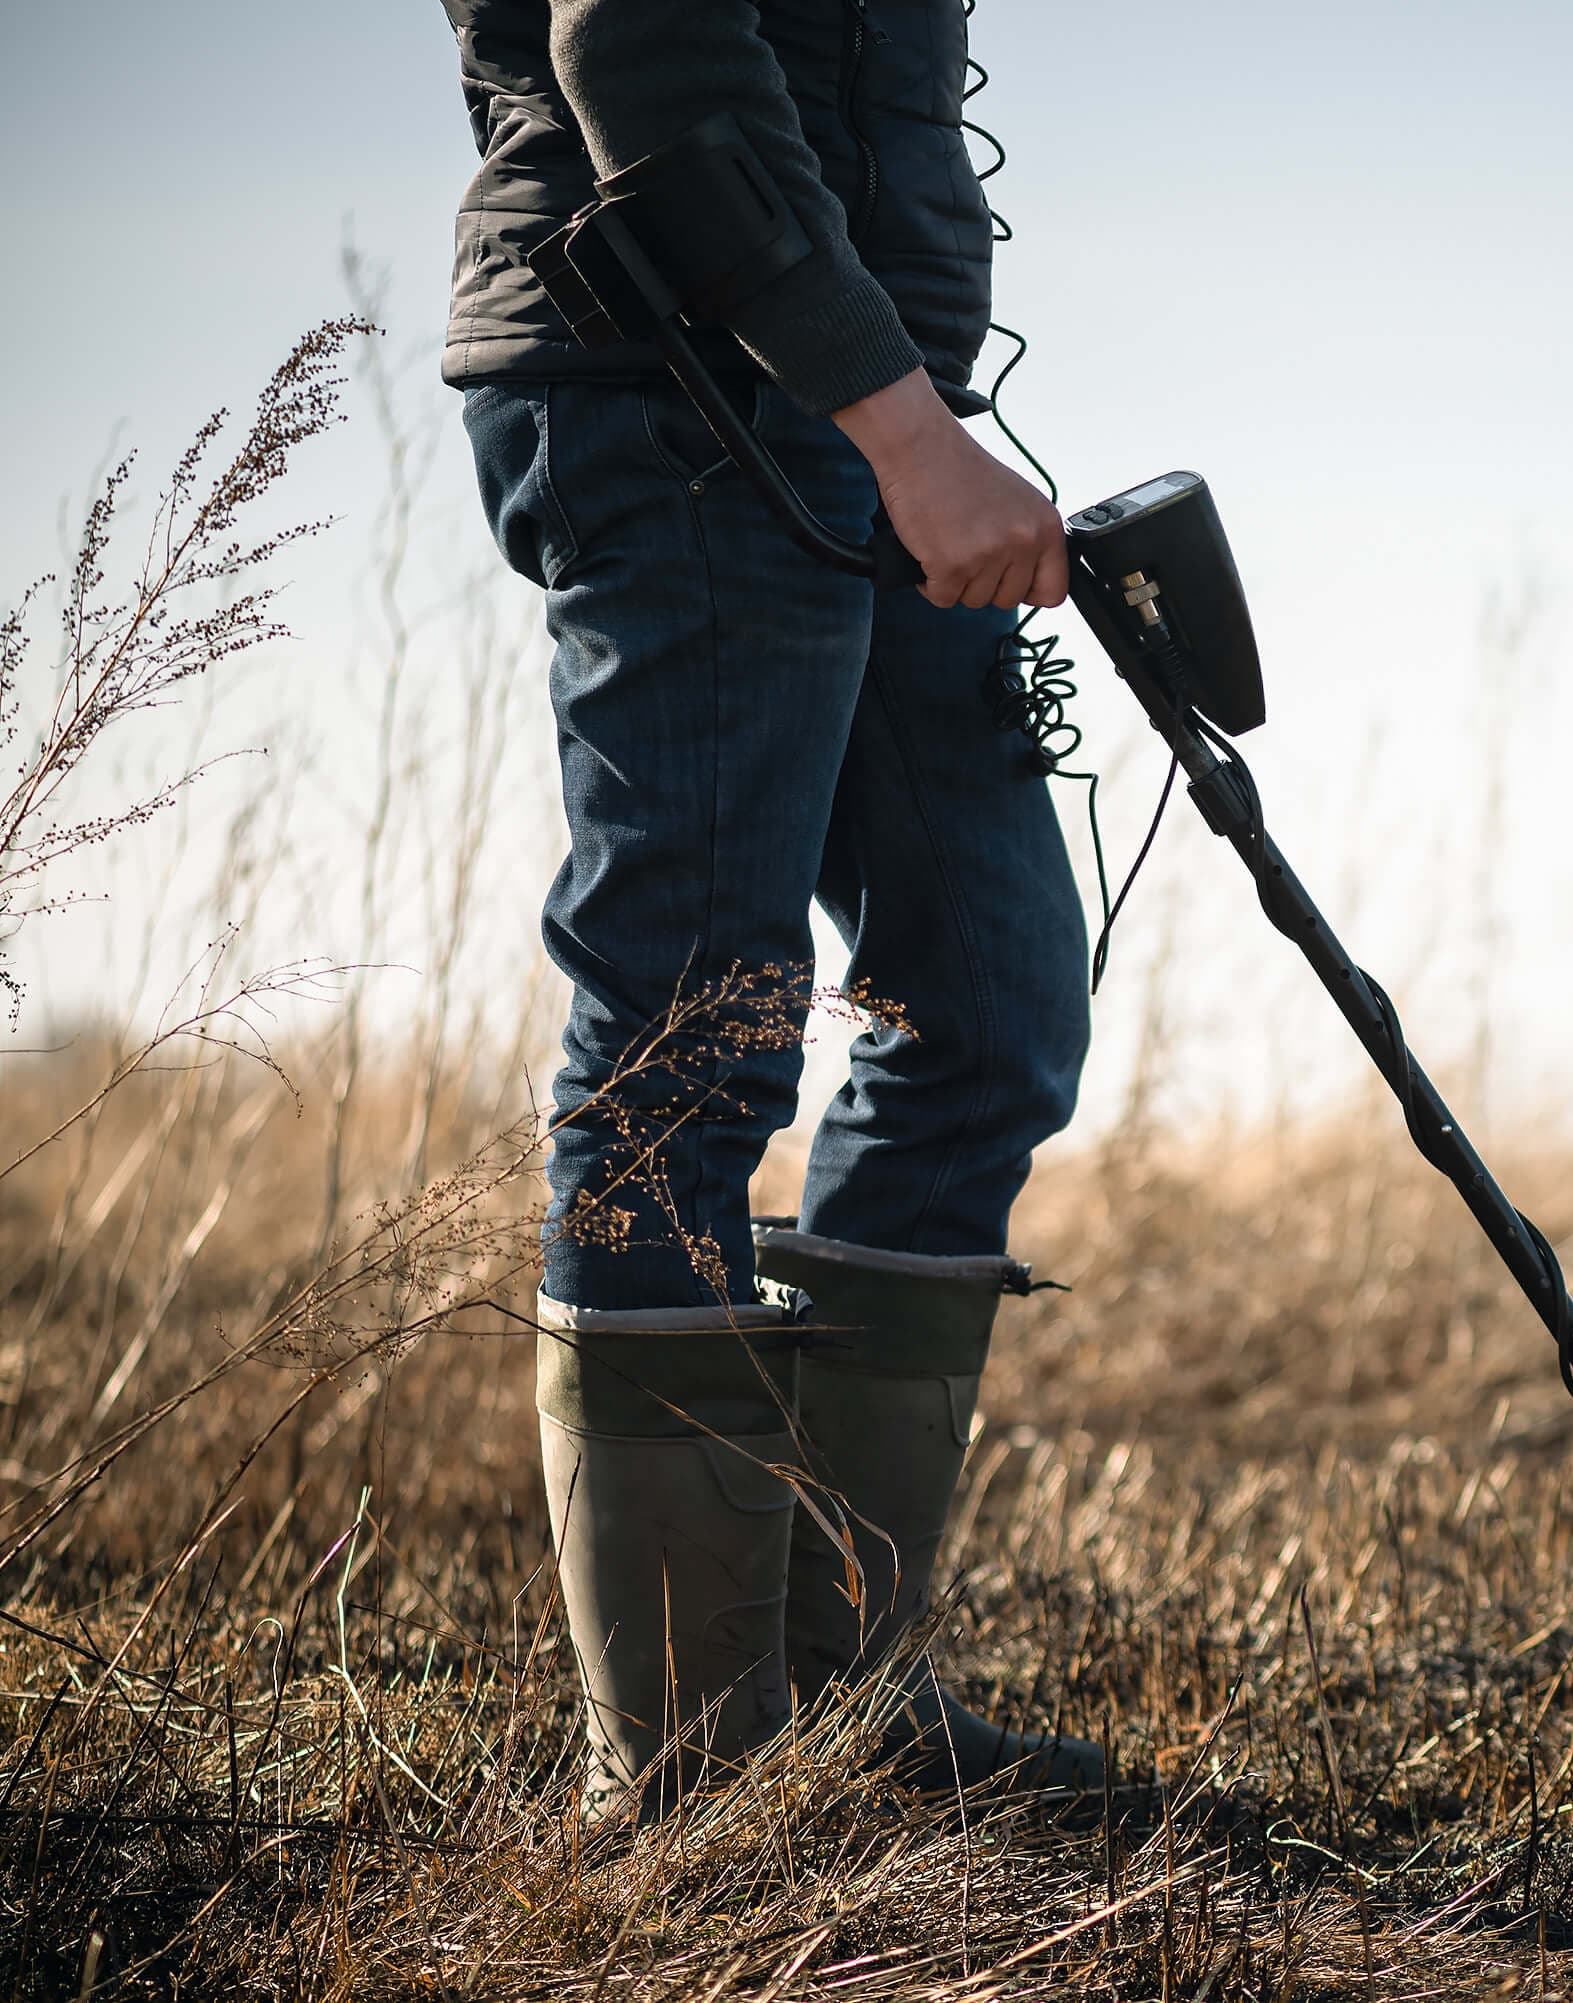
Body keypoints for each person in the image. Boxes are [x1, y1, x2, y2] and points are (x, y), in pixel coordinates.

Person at [437, 0, 1100, 1819]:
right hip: (673, 383)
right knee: (693, 1035)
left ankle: (834, 1701)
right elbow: (643, 45)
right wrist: (901, 428)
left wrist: (907, 415)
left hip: (864, 406)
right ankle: (685, 1779)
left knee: (986, 1006)